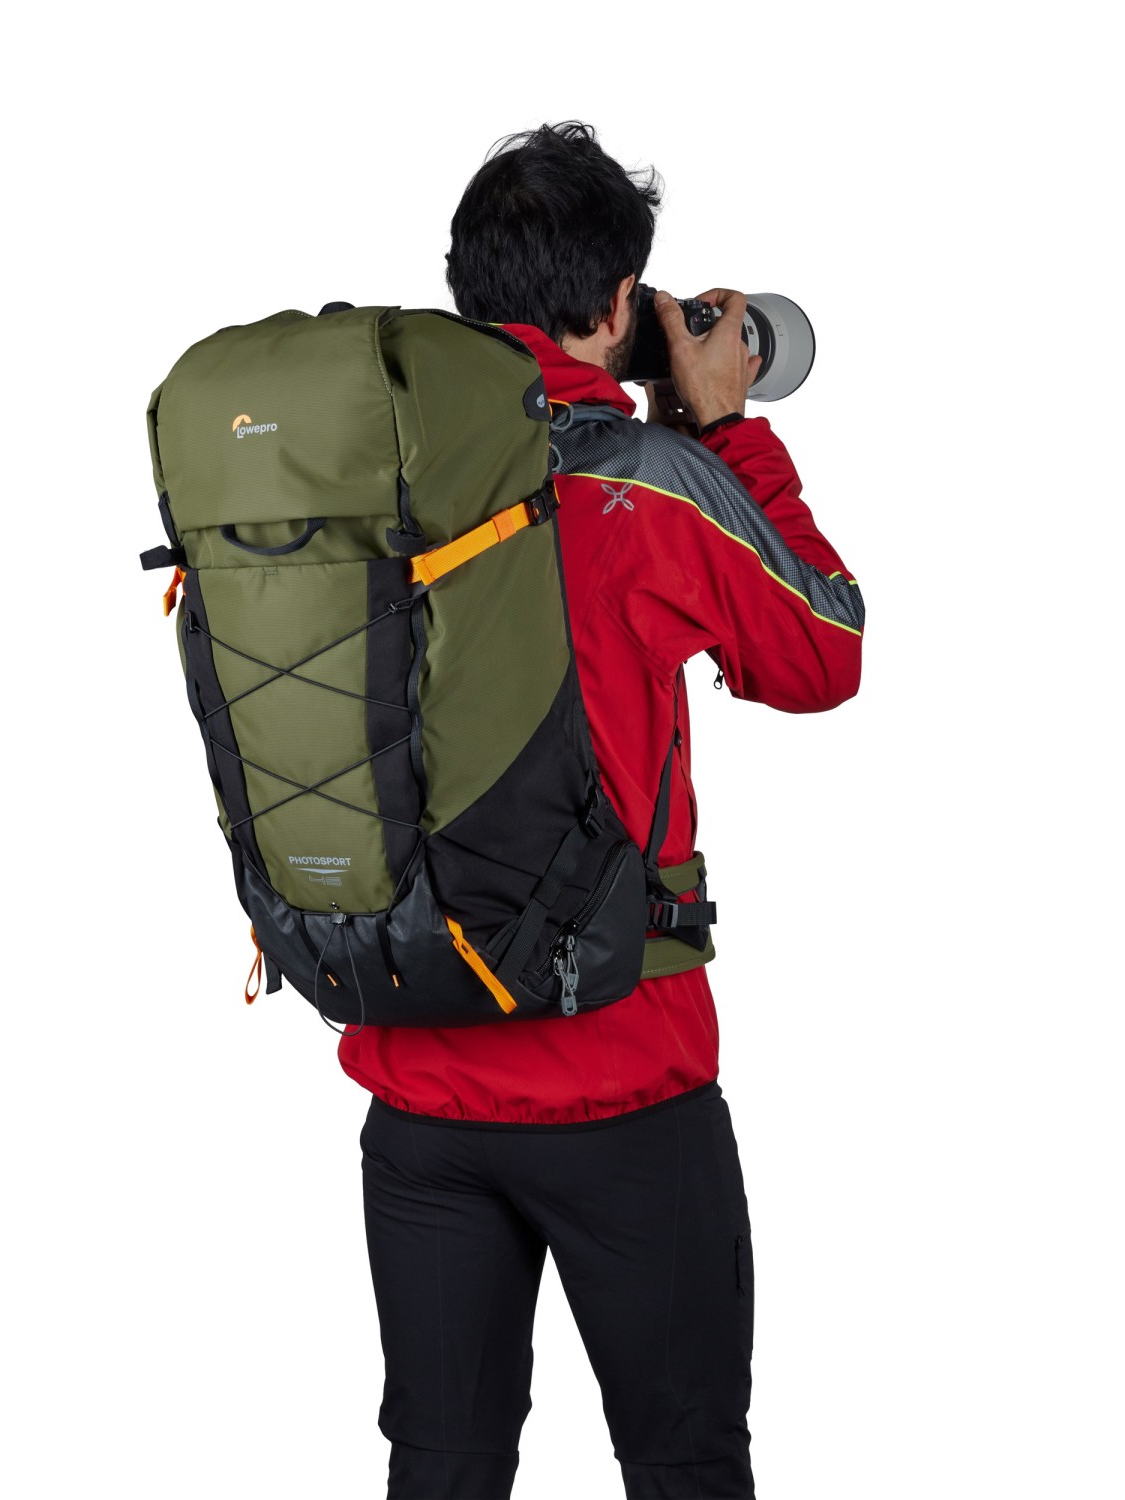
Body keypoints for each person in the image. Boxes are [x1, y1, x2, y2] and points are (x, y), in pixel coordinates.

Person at [337, 121, 865, 1499]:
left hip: (419, 1080)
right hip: (623, 1079)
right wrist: (726, 432)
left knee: (441, 1468)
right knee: (686, 1465)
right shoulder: (647, 480)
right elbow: (823, 653)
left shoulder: (364, 481)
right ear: (623, 303)